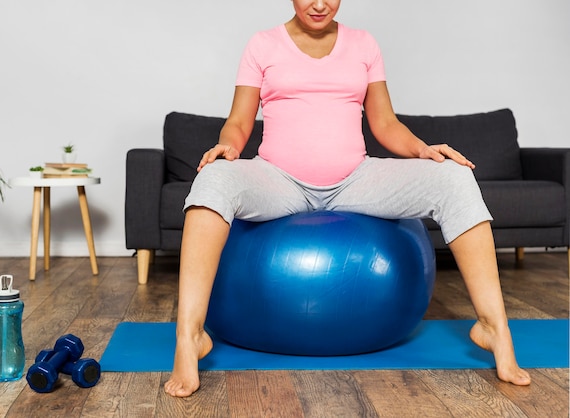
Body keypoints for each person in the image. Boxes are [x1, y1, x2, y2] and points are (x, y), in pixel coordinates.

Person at [164, 0, 531, 397]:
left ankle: (494, 327)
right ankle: (190, 337)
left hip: (355, 179)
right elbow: (239, 121)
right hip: (278, 179)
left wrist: (423, 149)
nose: (319, 4)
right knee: (212, 179)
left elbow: (385, 123)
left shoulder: (364, 44)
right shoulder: (262, 44)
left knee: (455, 178)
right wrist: (227, 148)